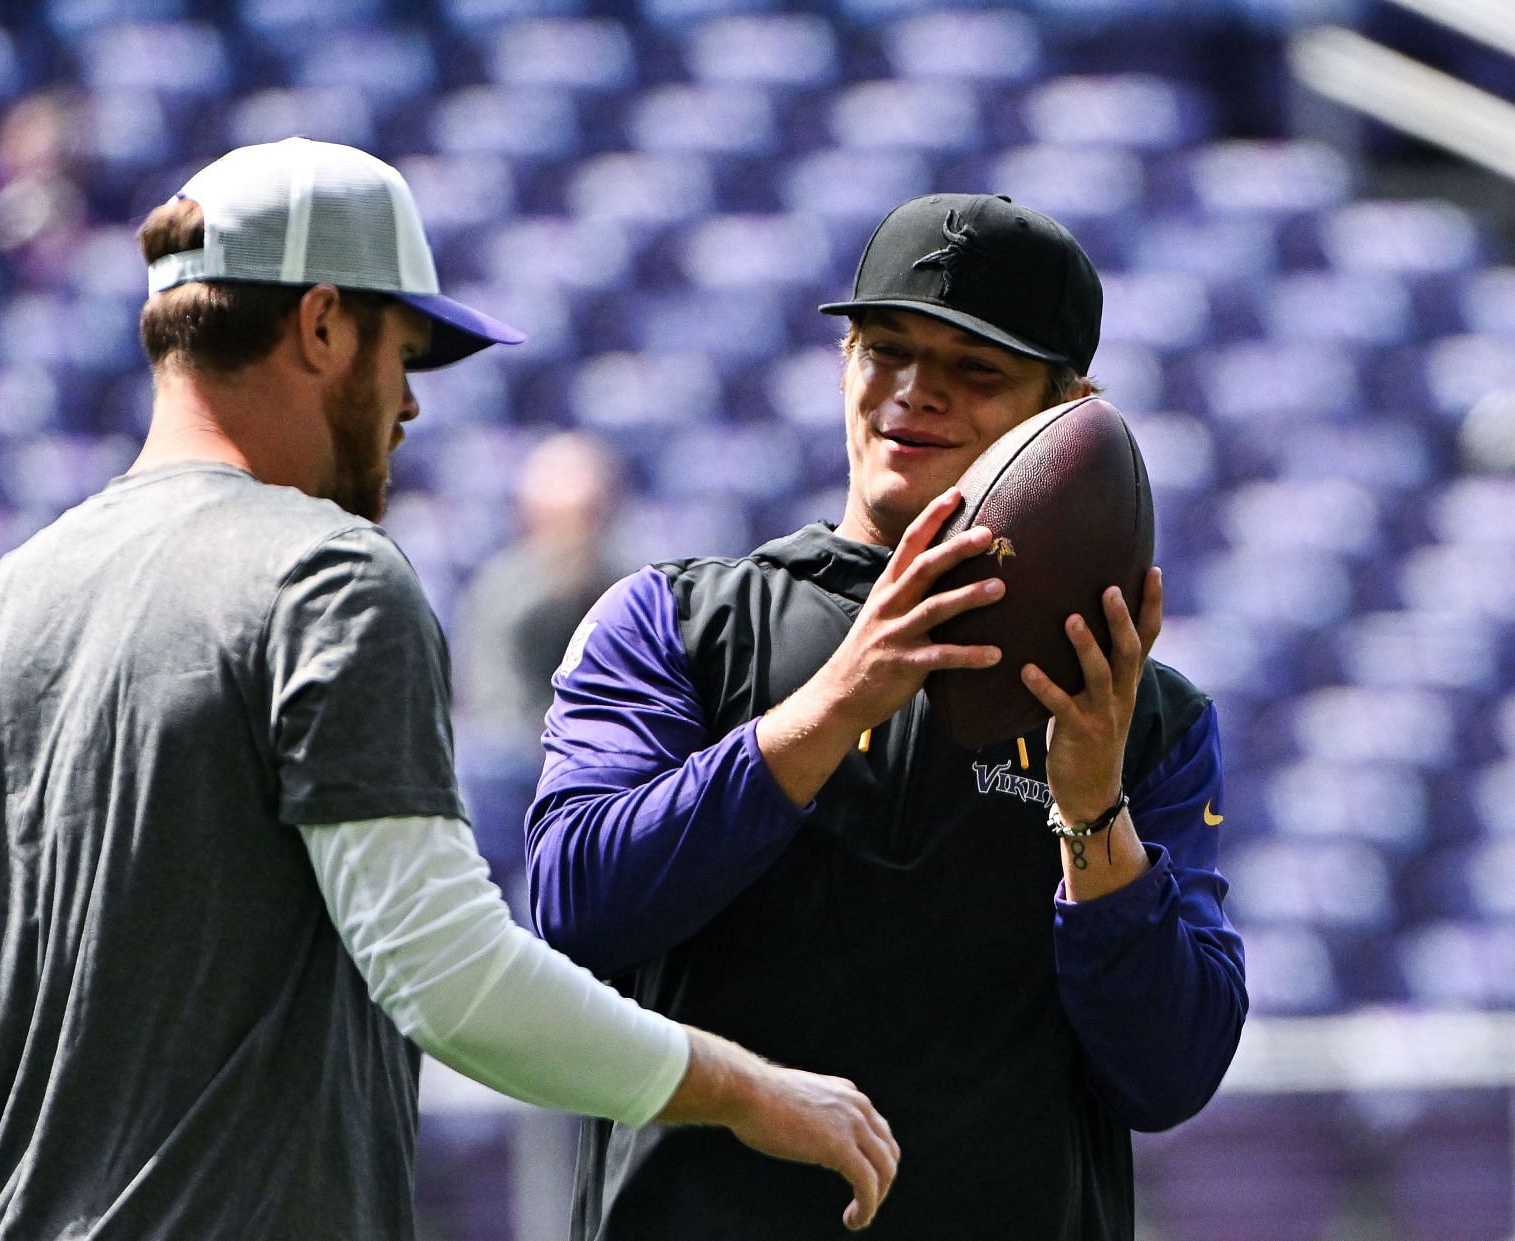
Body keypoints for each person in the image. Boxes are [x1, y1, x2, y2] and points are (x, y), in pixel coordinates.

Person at [0, 138, 901, 1241]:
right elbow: (447, 972)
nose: (410, 406)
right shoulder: (327, 575)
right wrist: (751, 1088)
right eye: (402, 352)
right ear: (322, 323)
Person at [527, 193, 1248, 1240]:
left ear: (1068, 411)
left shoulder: (1138, 706)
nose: (915, 394)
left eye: (976, 370)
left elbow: (1170, 1071)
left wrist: (1092, 812)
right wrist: (836, 699)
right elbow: (572, 907)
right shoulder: (679, 620)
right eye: (886, 349)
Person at [456, 431, 625, 907]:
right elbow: (497, 713)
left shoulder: (634, 588)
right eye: (558, 519)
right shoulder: (501, 592)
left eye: (587, 516)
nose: (572, 534)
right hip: (528, 783)